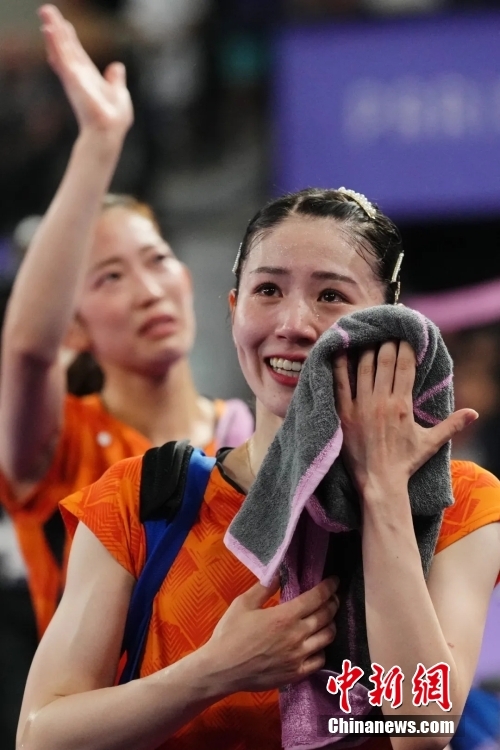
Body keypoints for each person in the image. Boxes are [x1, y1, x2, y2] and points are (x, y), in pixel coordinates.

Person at [16, 13, 500, 750]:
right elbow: (40, 734)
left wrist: (382, 494)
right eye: (268, 290)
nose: (295, 323)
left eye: (332, 296)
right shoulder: (135, 499)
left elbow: (422, 727)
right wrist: (213, 672)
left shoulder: (462, 504)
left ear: (390, 324)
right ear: (234, 307)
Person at [0, 3, 253, 641]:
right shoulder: (59, 444)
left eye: (157, 261)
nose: (148, 291)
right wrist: (99, 143)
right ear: (73, 326)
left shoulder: (249, 435)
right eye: (110, 277)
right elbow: (28, 351)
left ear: (186, 278)